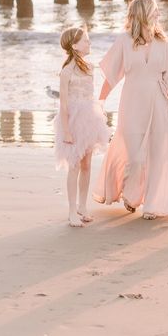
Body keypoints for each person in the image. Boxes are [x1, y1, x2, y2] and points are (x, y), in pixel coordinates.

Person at [93, 0, 168, 220]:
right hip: (132, 102)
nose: (158, 14)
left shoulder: (164, 43)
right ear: (142, 13)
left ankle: (152, 205)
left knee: (157, 155)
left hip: (158, 101)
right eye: (154, 10)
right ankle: (131, 193)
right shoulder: (124, 41)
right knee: (135, 156)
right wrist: (100, 102)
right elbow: (112, 76)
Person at [54, 27, 111, 227]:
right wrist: (67, 130)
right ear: (74, 45)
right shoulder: (67, 70)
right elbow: (63, 103)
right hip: (73, 120)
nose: (89, 43)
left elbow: (90, 95)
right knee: (74, 165)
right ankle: (71, 211)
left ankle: (82, 206)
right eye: (85, 40)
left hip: (89, 118)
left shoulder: (89, 67)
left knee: (86, 164)